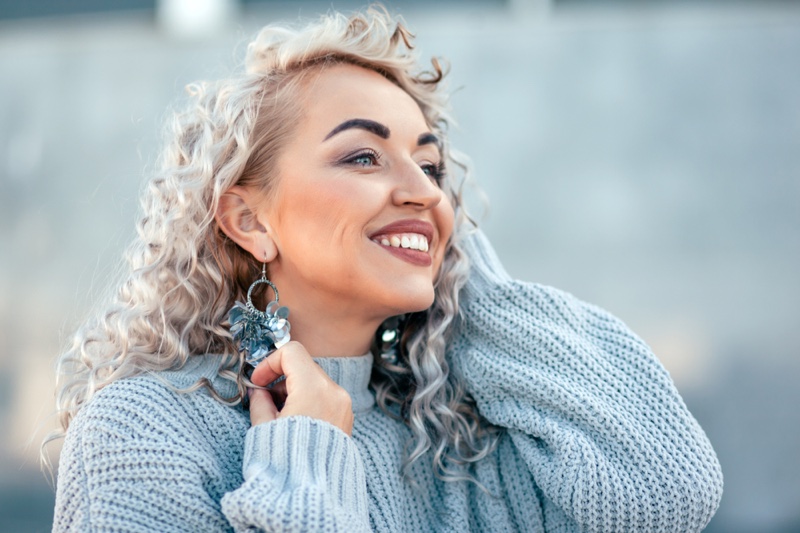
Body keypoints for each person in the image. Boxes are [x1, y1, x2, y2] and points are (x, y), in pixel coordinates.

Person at [48, 6, 723, 532]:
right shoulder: (146, 431)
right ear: (250, 220)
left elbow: (668, 490)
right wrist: (308, 456)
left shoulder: (460, 445)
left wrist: (459, 273)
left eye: (430, 166)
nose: (426, 190)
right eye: (363, 158)